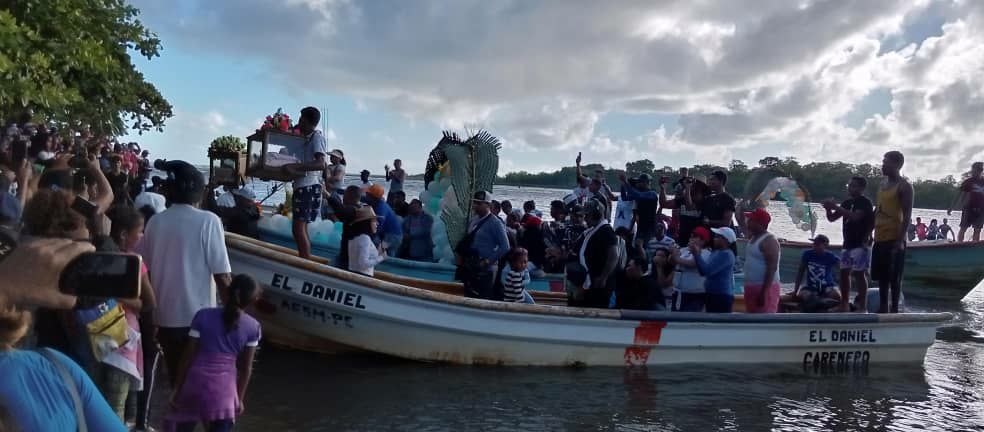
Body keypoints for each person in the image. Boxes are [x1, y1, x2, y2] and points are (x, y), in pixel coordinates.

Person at [138, 160, 232, 386]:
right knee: (202, 387)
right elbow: (222, 277)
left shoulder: (155, 223)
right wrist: (233, 318)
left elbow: (145, 274)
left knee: (175, 383)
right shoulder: (209, 221)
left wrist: (150, 319)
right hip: (199, 321)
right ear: (199, 193)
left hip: (164, 320)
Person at [166, 275, 261, 432]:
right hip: (224, 394)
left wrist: (177, 388)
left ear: (229, 291)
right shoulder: (253, 327)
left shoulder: (203, 316)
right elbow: (246, 369)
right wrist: (239, 399)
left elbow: (187, 357)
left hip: (194, 386)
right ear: (253, 299)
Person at [107, 206, 160, 424]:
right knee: (117, 402)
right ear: (123, 234)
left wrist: (109, 294)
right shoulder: (134, 262)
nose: (142, 236)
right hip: (123, 338)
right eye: (139, 231)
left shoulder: (93, 254)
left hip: (95, 333)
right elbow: (150, 303)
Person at [282, 107, 328, 260]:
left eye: (301, 119)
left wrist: (295, 167)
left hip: (308, 186)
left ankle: (305, 261)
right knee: (300, 227)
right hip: (302, 186)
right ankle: (305, 258)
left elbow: (321, 164)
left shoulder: (316, 137)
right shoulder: (305, 138)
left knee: (298, 228)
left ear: (308, 121)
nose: (299, 122)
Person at [822, 176, 875, 312]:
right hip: (848, 243)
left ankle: (862, 306)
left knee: (859, 273)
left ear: (862, 188)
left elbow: (855, 217)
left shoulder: (865, 202)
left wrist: (835, 207)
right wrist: (828, 209)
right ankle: (844, 304)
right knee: (844, 272)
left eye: (854, 186)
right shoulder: (846, 202)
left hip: (861, 243)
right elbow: (832, 218)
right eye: (850, 185)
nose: (851, 188)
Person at [872, 151, 914, 313]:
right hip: (880, 236)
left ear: (897, 165)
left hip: (894, 237)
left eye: (886, 162)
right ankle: (883, 307)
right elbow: (878, 209)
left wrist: (900, 240)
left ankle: (894, 309)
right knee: (881, 277)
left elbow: (907, 215)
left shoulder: (904, 186)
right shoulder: (882, 184)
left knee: (894, 277)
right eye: (883, 161)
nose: (883, 165)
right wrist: (869, 232)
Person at [457, 191, 511, 300]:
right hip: (470, 265)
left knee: (483, 298)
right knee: (467, 296)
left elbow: (505, 246)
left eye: (479, 203)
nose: (475, 206)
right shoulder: (473, 220)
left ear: (488, 205)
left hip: (485, 268)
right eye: (474, 203)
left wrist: (488, 261)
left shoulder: (495, 223)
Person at [568, 199, 618, 308]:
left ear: (597, 214)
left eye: (587, 215)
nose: (585, 218)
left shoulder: (607, 231)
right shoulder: (590, 231)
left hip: (598, 284)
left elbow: (613, 256)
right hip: (586, 282)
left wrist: (603, 277)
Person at [741, 208, 781, 313]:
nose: (748, 222)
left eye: (750, 220)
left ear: (759, 223)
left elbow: (772, 268)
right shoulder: (753, 237)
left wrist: (764, 292)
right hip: (751, 287)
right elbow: (740, 220)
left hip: (764, 289)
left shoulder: (769, 241)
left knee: (765, 321)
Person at [692, 227, 737, 313]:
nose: (714, 239)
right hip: (712, 294)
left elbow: (707, 271)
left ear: (726, 240)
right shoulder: (716, 252)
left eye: (717, 237)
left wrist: (697, 255)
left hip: (721, 296)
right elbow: (703, 271)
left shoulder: (726, 254)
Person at [793, 235, 843, 311]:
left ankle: (820, 302)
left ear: (825, 246)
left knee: (837, 296)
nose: (814, 246)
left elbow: (843, 268)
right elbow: (800, 272)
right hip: (811, 287)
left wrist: (839, 279)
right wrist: (795, 291)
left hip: (827, 286)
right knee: (803, 295)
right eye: (814, 244)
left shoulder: (830, 256)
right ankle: (819, 302)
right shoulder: (807, 254)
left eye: (817, 244)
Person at [672, 226, 712, 312]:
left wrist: (676, 258)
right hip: (679, 293)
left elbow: (693, 263)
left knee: (689, 321)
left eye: (694, 236)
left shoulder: (707, 253)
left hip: (696, 295)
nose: (691, 238)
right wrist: (672, 253)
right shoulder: (684, 250)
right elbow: (672, 262)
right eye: (691, 236)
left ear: (703, 240)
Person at [324, 185, 364, 270]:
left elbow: (341, 213)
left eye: (345, 195)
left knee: (328, 269)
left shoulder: (354, 210)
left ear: (350, 196)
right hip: (349, 254)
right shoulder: (360, 209)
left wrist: (328, 196)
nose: (343, 199)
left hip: (349, 257)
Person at [660, 174, 705, 247]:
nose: (690, 185)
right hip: (682, 239)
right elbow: (664, 204)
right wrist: (663, 188)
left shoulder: (704, 201)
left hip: (697, 242)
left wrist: (687, 189)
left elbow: (689, 206)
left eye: (693, 184)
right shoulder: (682, 199)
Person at [619, 173, 660, 245]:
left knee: (645, 247)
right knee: (638, 246)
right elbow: (624, 198)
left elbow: (638, 195)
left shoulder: (652, 194)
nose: (638, 184)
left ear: (646, 183)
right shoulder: (639, 194)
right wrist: (623, 185)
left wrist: (626, 182)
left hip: (650, 228)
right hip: (641, 226)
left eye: (639, 182)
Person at [950, 161, 984, 242]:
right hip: (968, 208)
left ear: (980, 171)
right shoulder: (968, 182)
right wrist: (951, 207)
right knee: (963, 228)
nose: (972, 172)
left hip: (981, 209)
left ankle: (974, 247)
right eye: (972, 170)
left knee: (977, 229)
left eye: (974, 171)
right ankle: (959, 245)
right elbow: (959, 195)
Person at [347, 207, 386, 276]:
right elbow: (363, 264)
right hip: (362, 278)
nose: (377, 223)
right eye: (374, 220)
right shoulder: (365, 238)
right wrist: (381, 257)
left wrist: (378, 253)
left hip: (352, 274)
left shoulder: (354, 237)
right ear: (367, 223)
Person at [364, 184, 402, 255]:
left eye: (367, 195)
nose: (366, 197)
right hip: (391, 235)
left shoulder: (380, 209)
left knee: (375, 244)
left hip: (392, 237)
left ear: (373, 197)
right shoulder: (378, 203)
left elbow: (375, 229)